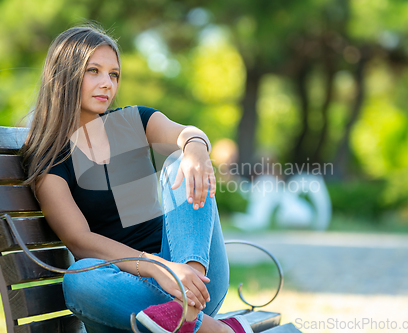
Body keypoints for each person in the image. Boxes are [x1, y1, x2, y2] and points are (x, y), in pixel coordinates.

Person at [21, 24, 253, 333]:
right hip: (125, 292)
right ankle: (209, 326)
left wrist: (196, 148)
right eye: (94, 71)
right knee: (79, 276)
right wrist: (160, 270)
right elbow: (80, 241)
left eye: (113, 74)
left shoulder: (132, 122)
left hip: (195, 272)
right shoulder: (50, 159)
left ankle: (188, 307)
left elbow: (185, 133)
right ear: (64, 76)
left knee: (178, 163)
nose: (107, 84)